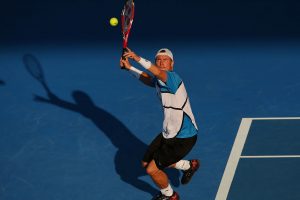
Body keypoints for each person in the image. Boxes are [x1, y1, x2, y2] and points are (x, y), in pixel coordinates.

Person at [120, 48, 200, 200]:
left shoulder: (172, 78)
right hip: (169, 132)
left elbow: (156, 73)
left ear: (172, 64)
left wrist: (137, 59)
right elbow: (149, 79)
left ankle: (170, 196)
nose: (161, 62)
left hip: (183, 138)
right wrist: (129, 68)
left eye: (165, 60)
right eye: (158, 59)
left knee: (152, 170)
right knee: (145, 163)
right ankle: (188, 166)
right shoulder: (160, 79)